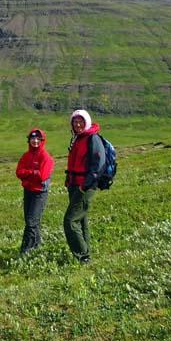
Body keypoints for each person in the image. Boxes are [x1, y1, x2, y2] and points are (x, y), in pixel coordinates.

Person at [64, 109, 105, 264]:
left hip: (84, 186)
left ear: (86, 122)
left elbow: (98, 165)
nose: (78, 124)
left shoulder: (92, 139)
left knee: (70, 220)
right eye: (75, 122)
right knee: (80, 220)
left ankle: (82, 256)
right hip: (74, 184)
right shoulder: (77, 138)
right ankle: (86, 253)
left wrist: (85, 185)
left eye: (81, 121)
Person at [15, 128, 54, 254]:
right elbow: (18, 172)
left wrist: (27, 173)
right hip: (28, 190)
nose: (35, 141)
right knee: (30, 220)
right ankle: (37, 246)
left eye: (38, 139)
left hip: (39, 192)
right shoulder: (26, 156)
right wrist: (32, 172)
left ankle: (26, 250)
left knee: (31, 221)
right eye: (33, 139)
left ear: (42, 141)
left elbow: (42, 176)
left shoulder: (45, 157)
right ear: (29, 140)